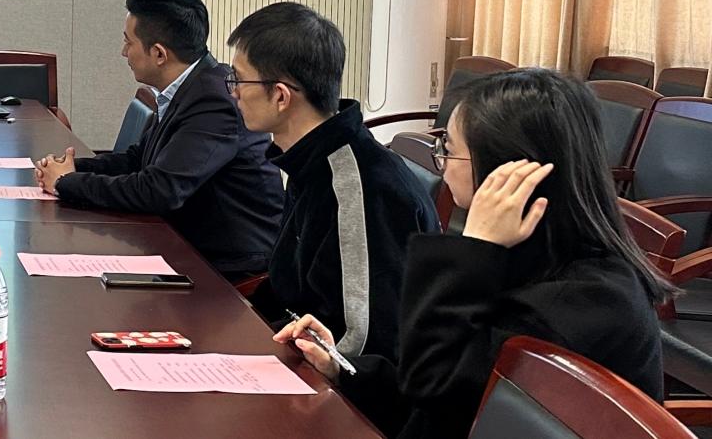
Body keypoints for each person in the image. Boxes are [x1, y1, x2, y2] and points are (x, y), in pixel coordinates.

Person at [276, 68, 671, 439]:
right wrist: (343, 369)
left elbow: (438, 389)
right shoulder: (531, 253)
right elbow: (445, 386)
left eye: (448, 149)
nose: (442, 164)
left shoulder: (584, 301)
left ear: (507, 170)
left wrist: (473, 248)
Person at [227, 2, 438, 360]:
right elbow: (288, 286)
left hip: (341, 383)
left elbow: (361, 341)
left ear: (280, 95)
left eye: (238, 79)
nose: (233, 92)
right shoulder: (310, 158)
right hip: (297, 349)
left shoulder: (362, 185)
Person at [34, 0, 284, 276]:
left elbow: (161, 190)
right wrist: (71, 168)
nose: (123, 52)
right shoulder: (190, 88)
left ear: (159, 54)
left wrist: (67, 183)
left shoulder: (214, 101)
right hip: (184, 244)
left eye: (128, 42)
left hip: (228, 267)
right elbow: (138, 159)